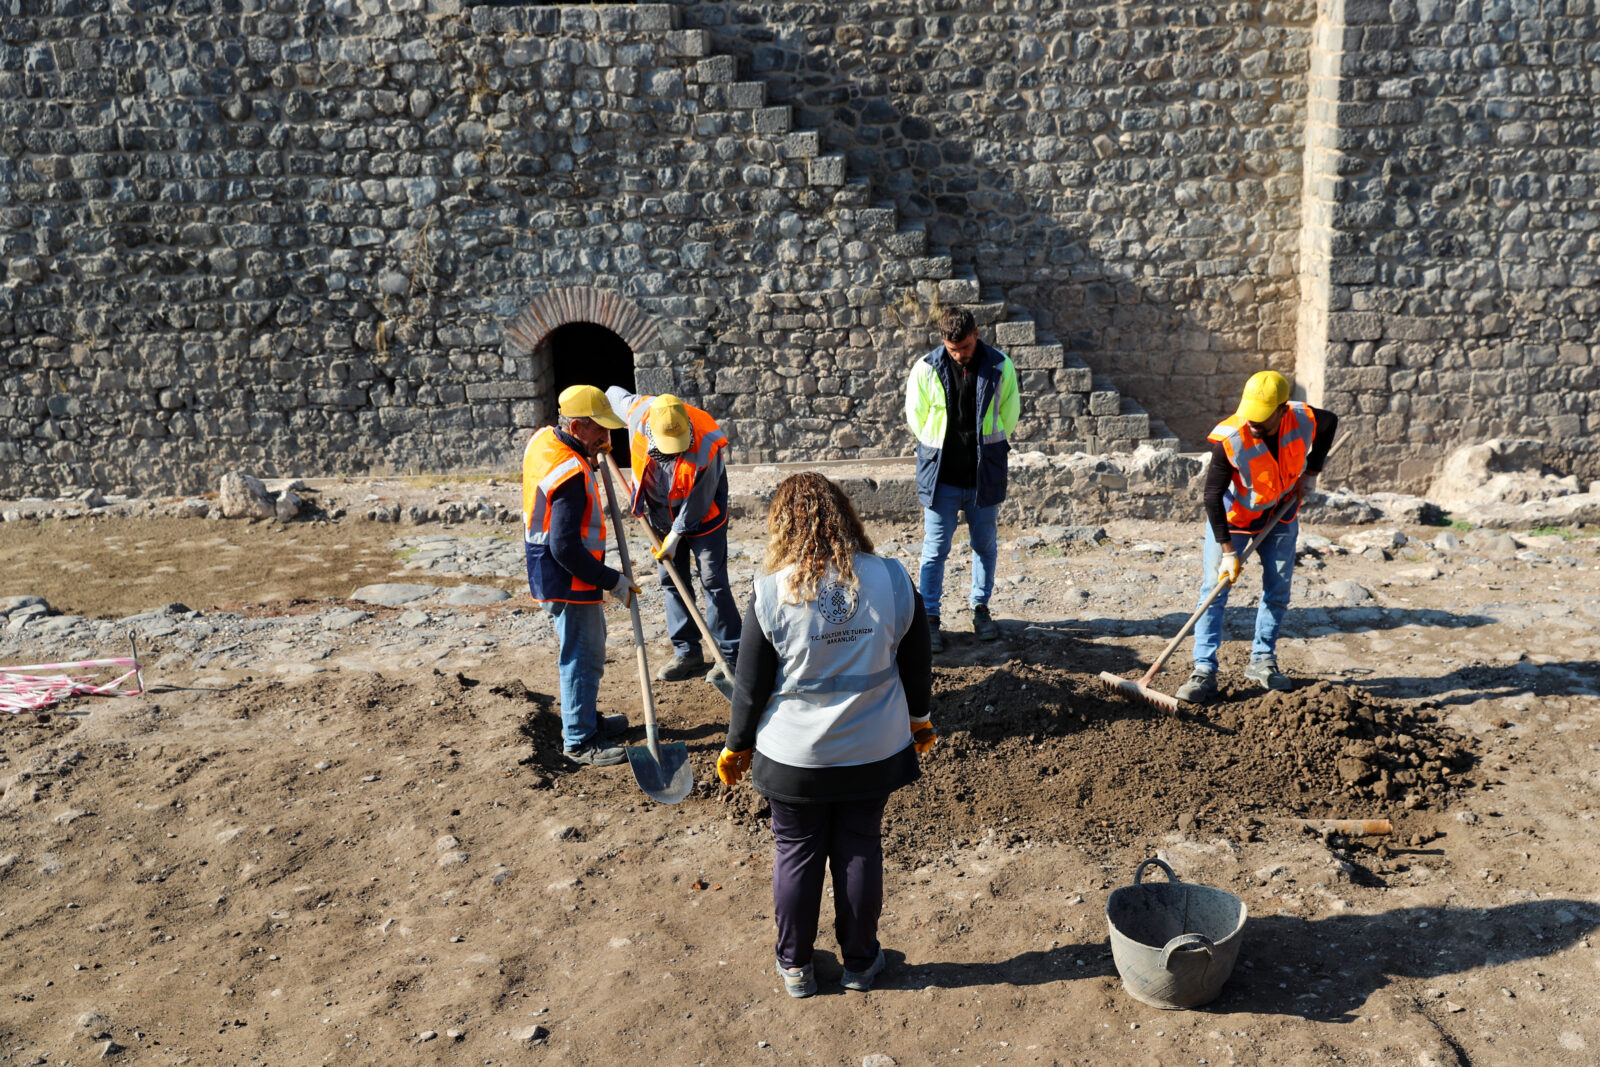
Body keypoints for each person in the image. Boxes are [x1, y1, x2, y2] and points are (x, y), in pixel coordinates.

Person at [715, 472, 935, 999]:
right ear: (845, 516)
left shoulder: (772, 593)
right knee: (859, 846)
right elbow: (918, 659)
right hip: (873, 750)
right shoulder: (891, 578)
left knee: (795, 851)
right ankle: (861, 963)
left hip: (794, 760)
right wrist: (920, 718)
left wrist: (736, 746)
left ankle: (796, 967)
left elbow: (749, 687)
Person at [1175, 371, 1340, 704]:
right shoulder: (1231, 438)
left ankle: (1262, 660)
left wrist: (1311, 473)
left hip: (1281, 514)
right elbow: (1211, 495)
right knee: (1214, 590)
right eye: (1250, 415)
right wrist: (1226, 552)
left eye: (1262, 419)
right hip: (1233, 519)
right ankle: (1203, 671)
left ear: (1282, 411)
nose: (1253, 424)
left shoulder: (1302, 418)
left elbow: (1330, 423)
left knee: (1277, 589)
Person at [522, 385, 642, 766]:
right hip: (569, 577)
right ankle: (579, 740)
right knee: (583, 654)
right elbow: (566, 548)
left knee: (584, 649)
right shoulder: (570, 472)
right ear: (575, 426)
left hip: (552, 571)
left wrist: (591, 454)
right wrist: (613, 581)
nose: (607, 438)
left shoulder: (544, 440)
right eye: (599, 431)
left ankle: (585, 718)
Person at [904, 305, 1020, 653]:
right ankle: (929, 619)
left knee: (984, 546)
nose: (960, 355)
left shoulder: (1000, 366)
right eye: (953, 350)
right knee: (934, 550)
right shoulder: (925, 368)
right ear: (943, 342)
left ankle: (980, 610)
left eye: (965, 348)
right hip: (941, 478)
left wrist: (988, 448)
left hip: (984, 476)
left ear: (977, 335)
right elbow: (917, 417)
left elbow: (1009, 414)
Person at [604, 385, 739, 683]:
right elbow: (611, 393)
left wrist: (676, 537)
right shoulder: (639, 412)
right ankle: (687, 653)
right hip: (660, 515)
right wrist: (599, 430)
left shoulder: (706, 442)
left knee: (713, 581)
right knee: (671, 580)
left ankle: (730, 656)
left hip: (704, 518)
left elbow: (700, 500)